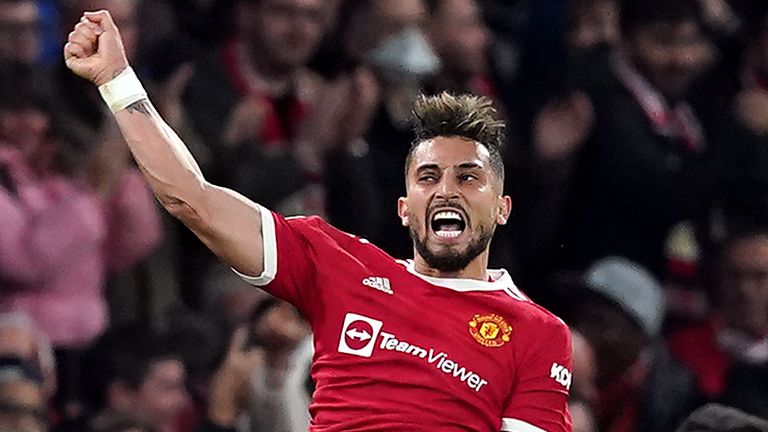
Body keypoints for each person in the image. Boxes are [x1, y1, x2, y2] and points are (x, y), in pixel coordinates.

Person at [63, 10, 572, 432]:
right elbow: (192, 198)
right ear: (404, 206)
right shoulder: (338, 266)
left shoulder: (535, 333)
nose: (445, 190)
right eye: (429, 176)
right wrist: (117, 81)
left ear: (501, 208)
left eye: (468, 178)